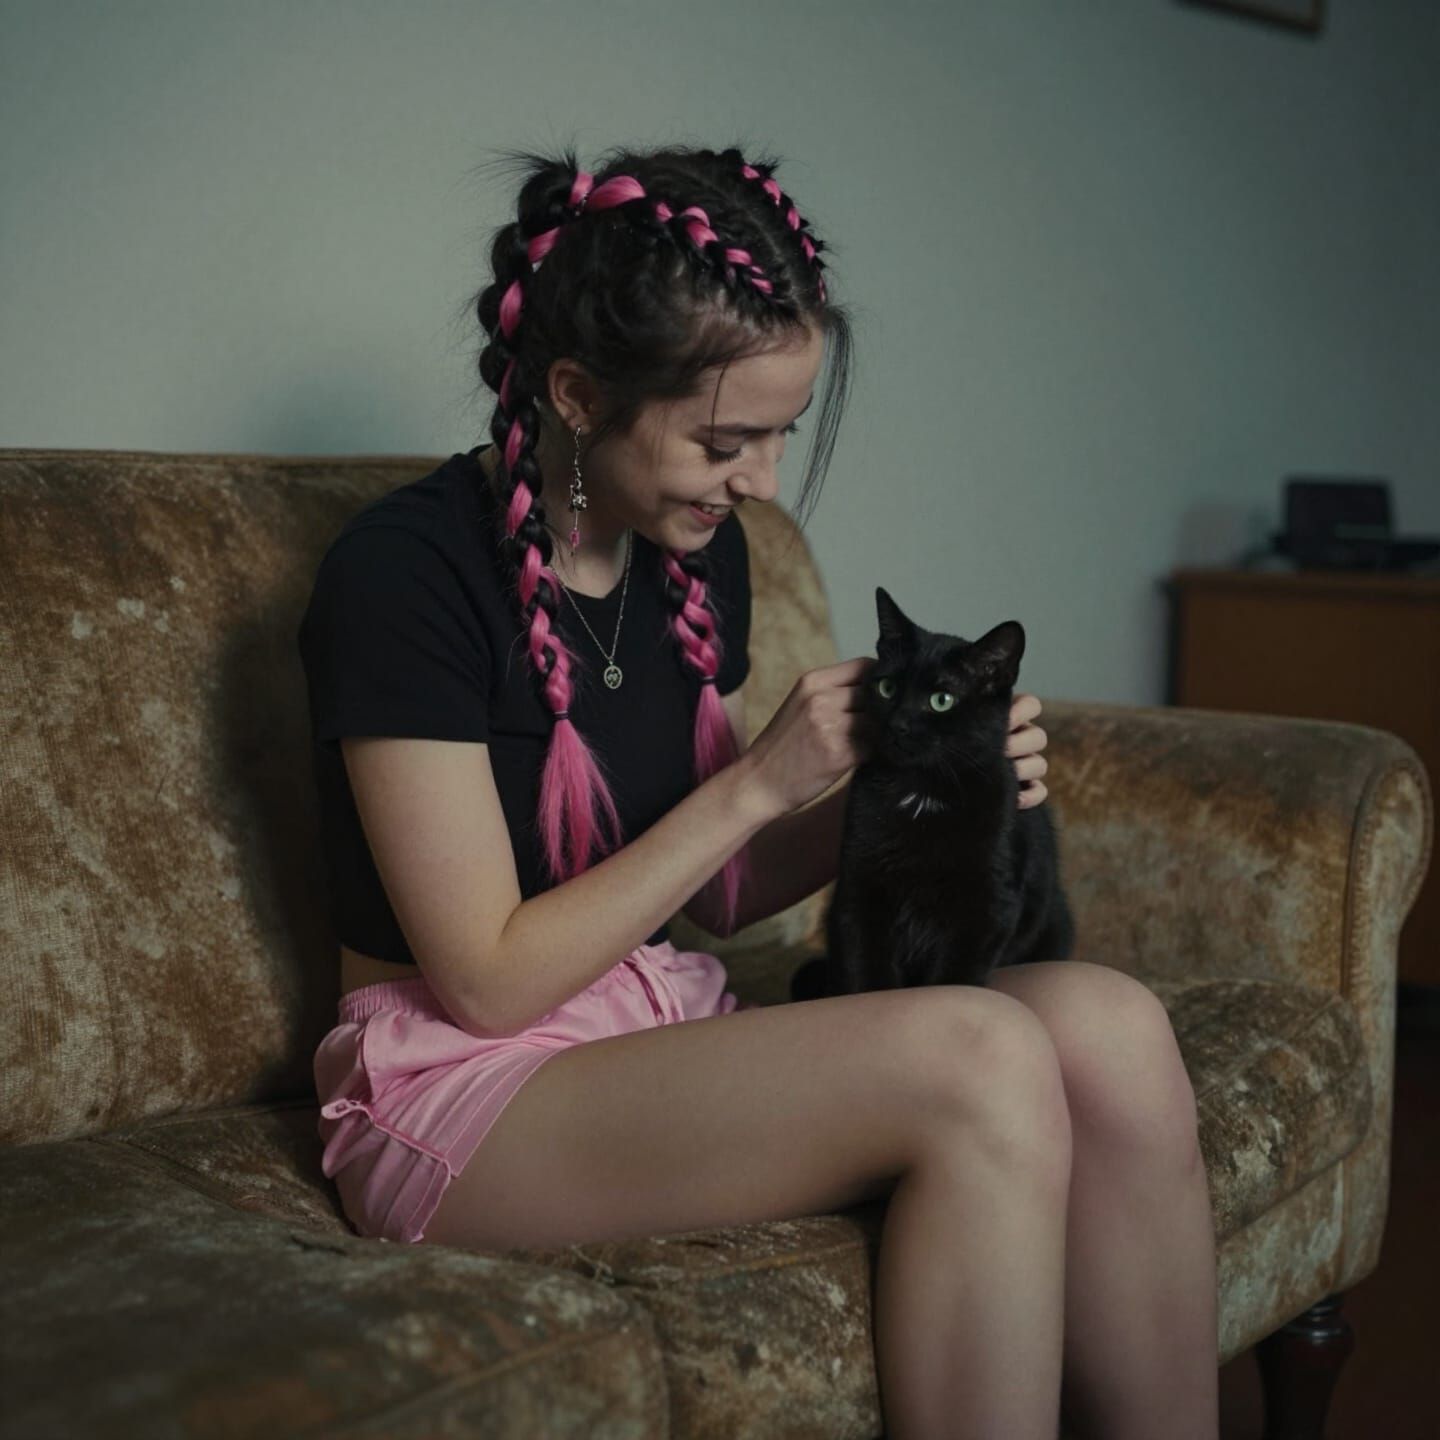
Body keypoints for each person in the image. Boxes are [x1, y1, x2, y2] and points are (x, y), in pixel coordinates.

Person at [299, 142, 1218, 1439]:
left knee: (1112, 1027)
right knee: (981, 1054)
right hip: (464, 1083)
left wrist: (900, 799)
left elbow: (715, 901)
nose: (763, 485)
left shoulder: (691, 563)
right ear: (574, 392)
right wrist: (753, 786)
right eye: (727, 441)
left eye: (781, 436)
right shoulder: (405, 578)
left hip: (644, 1026)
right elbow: (488, 979)